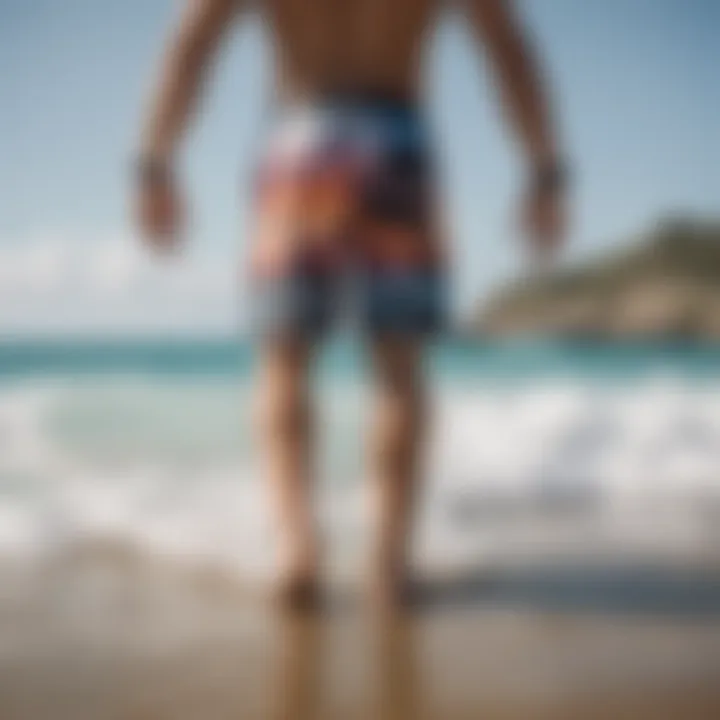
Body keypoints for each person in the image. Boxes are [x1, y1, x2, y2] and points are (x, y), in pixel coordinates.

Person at [134, 0, 568, 609]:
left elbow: (191, 47)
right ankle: (389, 565)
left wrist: (156, 162)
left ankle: (297, 553)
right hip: (396, 140)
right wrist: (545, 168)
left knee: (284, 358)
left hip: (300, 140)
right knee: (399, 367)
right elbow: (509, 54)